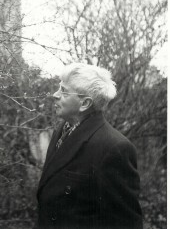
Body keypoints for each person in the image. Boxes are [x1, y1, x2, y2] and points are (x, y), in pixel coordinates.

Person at [37, 63, 143, 229]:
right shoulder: (62, 130)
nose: (55, 95)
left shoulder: (114, 148)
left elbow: (125, 222)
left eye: (64, 91)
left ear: (85, 104)